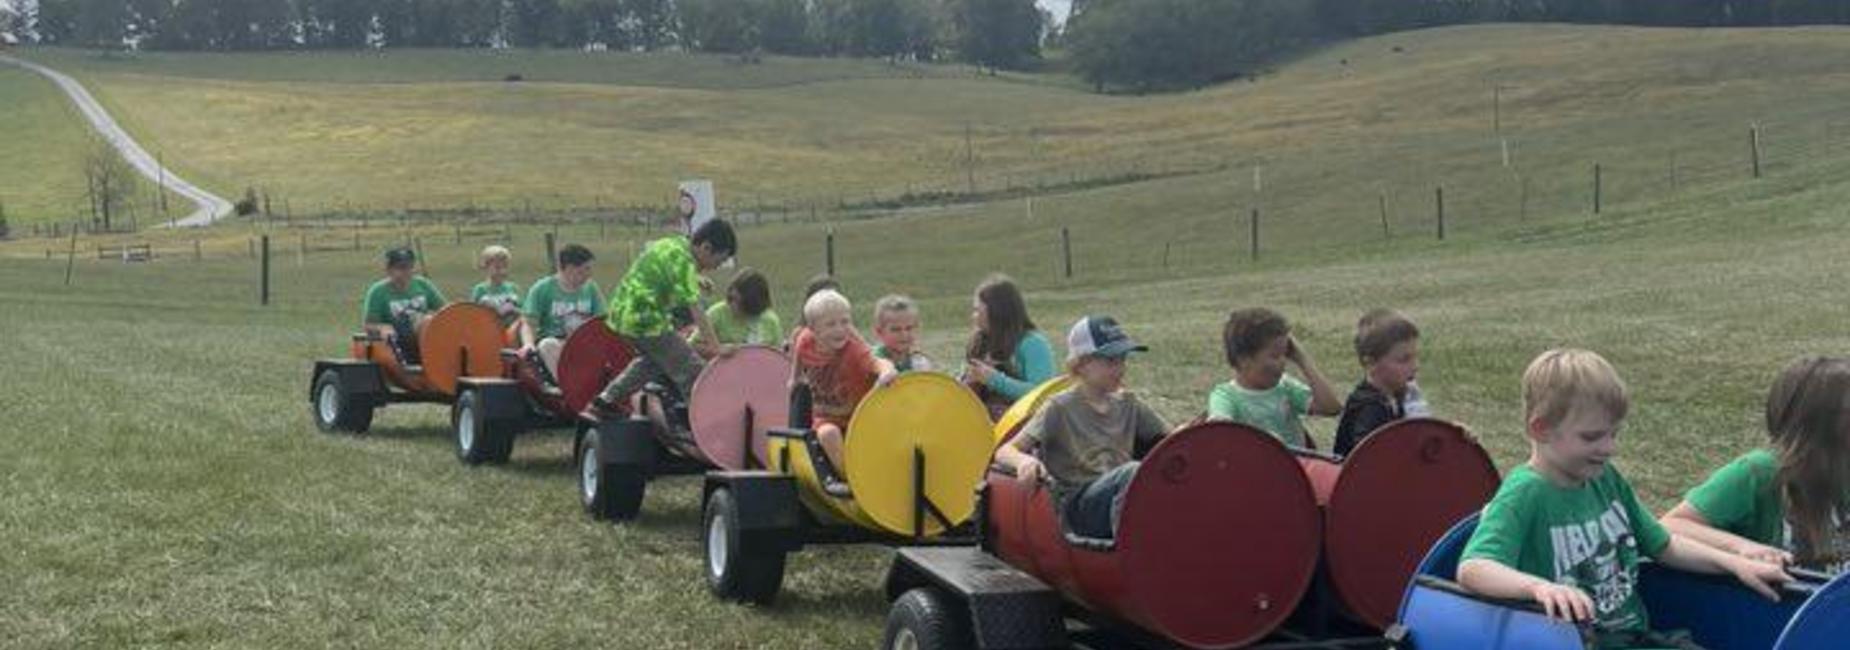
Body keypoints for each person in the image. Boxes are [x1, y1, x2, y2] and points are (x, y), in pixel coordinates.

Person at [1458, 349, 1790, 649]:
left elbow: (1663, 545)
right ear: (1541, 429)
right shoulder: (1525, 492)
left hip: (1634, 638)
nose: (1609, 448)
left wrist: (1735, 563)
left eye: (1613, 434)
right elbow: (1474, 568)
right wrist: (1538, 588)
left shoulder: (1606, 479)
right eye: (1592, 436)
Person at [1661, 357, 1850, 575]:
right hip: (1782, 603)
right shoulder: (1759, 471)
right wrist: (1742, 548)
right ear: (1816, 422)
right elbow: (1671, 526)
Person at [994, 315, 1168, 540]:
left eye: (1123, 360)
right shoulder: (1060, 407)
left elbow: (1173, 440)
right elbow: (1005, 451)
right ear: (1082, 364)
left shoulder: (1129, 404)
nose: (1121, 369)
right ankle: (1129, 551)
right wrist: (1024, 461)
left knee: (1142, 476)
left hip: (1123, 496)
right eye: (1111, 361)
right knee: (1132, 472)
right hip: (1079, 509)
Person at [580, 219, 736, 423]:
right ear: (706, 247)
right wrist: (716, 347)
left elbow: (661, 272)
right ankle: (704, 425)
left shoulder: (673, 244)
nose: (717, 266)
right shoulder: (685, 263)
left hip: (622, 313)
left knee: (654, 362)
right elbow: (697, 310)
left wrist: (696, 279)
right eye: (719, 260)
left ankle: (604, 402)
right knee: (691, 368)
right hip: (645, 320)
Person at [791, 289, 897, 472]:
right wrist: (795, 377)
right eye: (831, 324)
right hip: (826, 418)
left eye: (845, 322)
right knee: (828, 434)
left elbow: (878, 362)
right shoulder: (805, 340)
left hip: (860, 418)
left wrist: (887, 371)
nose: (840, 329)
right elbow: (798, 353)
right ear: (813, 329)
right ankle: (849, 476)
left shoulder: (854, 352)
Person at [1206, 308, 1341, 448]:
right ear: (1243, 360)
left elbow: (1331, 407)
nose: (1283, 361)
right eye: (1275, 355)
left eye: (1285, 354)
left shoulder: (1286, 387)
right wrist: (1262, 440)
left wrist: (1302, 360)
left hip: (1292, 467)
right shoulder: (1225, 396)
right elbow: (1218, 434)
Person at [1333, 309, 1430, 456]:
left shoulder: (1398, 395)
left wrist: (1451, 436)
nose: (1415, 366)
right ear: (1370, 363)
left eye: (1415, 357)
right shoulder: (1369, 407)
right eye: (1404, 360)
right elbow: (1369, 457)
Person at [964, 274, 1056, 417]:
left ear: (997, 311)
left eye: (977, 310)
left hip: (1026, 426)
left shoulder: (1033, 344)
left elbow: (1042, 393)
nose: (973, 316)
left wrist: (994, 380)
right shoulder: (979, 342)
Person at [522, 244, 604, 380]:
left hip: (585, 343)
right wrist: (528, 344)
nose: (589, 274)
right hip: (557, 343)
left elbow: (601, 320)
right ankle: (567, 387)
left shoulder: (591, 289)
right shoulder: (542, 288)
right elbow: (529, 323)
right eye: (585, 269)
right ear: (569, 268)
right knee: (547, 345)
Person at [361, 247, 446, 365]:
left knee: (429, 322)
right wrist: (382, 328)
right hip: (397, 342)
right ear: (389, 270)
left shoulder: (423, 285)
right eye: (401, 268)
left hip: (424, 338)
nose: (407, 271)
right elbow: (368, 325)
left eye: (410, 267)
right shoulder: (378, 292)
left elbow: (445, 312)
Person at [705, 268, 783, 345]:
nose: (732, 306)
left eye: (739, 303)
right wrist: (717, 349)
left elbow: (777, 354)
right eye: (731, 299)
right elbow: (695, 347)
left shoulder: (770, 321)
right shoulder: (716, 314)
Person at [872, 294, 932, 372]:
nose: (904, 334)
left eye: (909, 328)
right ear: (879, 332)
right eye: (896, 330)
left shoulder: (920, 362)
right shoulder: (872, 360)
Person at [470, 245, 523, 331]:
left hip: (512, 332)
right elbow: (473, 315)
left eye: (505, 267)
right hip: (489, 331)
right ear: (486, 267)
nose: (502, 271)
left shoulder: (513, 288)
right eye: (497, 268)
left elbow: (525, 314)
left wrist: (514, 310)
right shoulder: (480, 289)